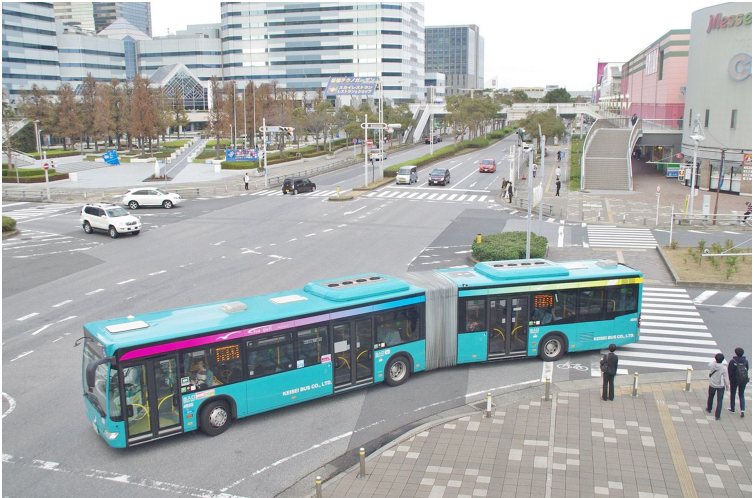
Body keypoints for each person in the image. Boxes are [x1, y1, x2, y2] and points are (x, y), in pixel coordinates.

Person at [706, 353, 729, 420]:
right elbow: (726, 378)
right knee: (719, 400)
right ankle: (717, 415)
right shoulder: (724, 368)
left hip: (712, 384)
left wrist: (715, 361)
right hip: (720, 385)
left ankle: (709, 408)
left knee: (710, 396)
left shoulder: (712, 365)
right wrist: (727, 386)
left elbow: (710, 364)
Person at [728, 348, 749, 417]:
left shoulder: (733, 361)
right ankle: (742, 409)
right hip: (743, 380)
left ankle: (732, 408)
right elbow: (747, 369)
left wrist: (730, 379)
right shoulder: (746, 361)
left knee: (733, 393)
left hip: (734, 380)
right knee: (741, 394)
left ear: (736, 353)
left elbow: (730, 371)